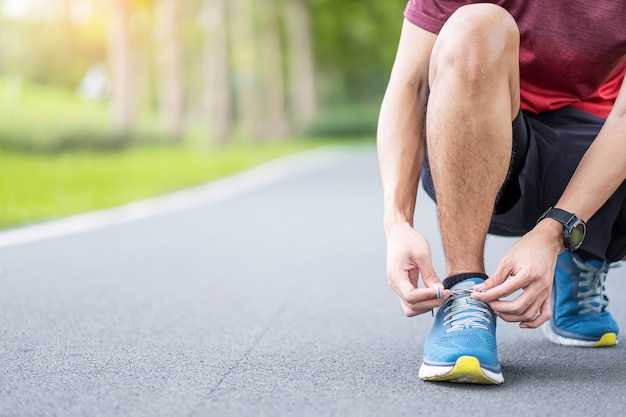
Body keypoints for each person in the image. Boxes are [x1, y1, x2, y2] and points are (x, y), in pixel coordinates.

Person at [377, 0, 626, 384]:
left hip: (597, 142)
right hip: (490, 136)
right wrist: (397, 224)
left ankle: (582, 254)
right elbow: (409, 86)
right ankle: (464, 288)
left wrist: (554, 233)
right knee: (476, 25)